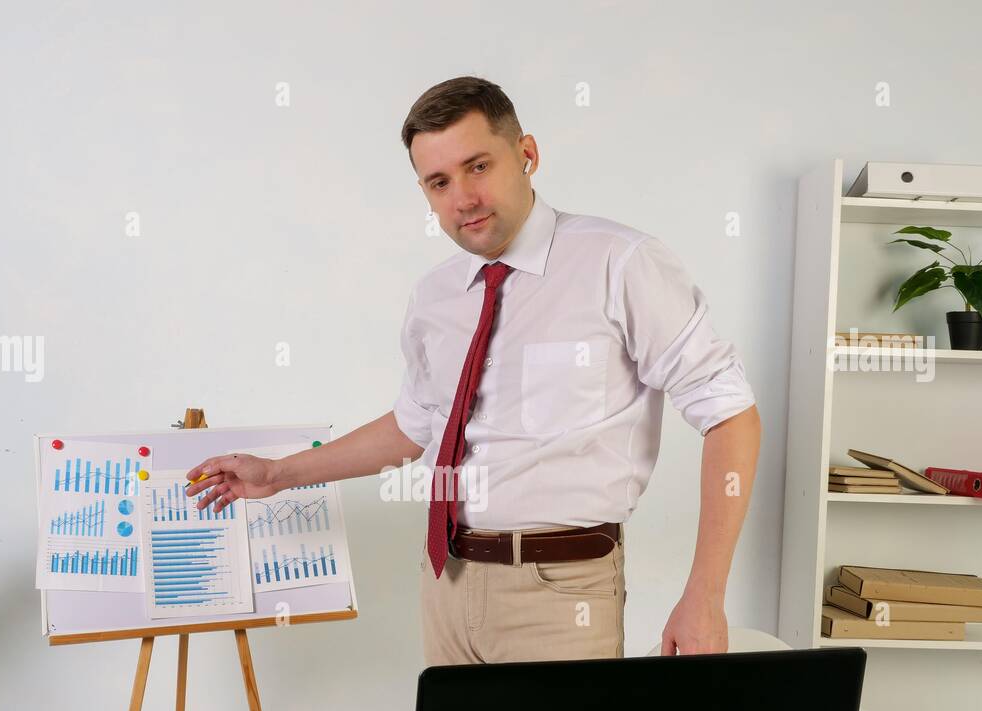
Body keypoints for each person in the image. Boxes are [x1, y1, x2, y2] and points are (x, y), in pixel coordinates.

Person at [187, 76, 760, 665]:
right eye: (440, 182)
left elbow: (731, 416)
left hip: (561, 594)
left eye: (478, 166)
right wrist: (279, 473)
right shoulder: (435, 297)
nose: (463, 197)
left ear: (527, 155)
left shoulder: (620, 263)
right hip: (446, 582)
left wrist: (705, 596)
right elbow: (415, 428)